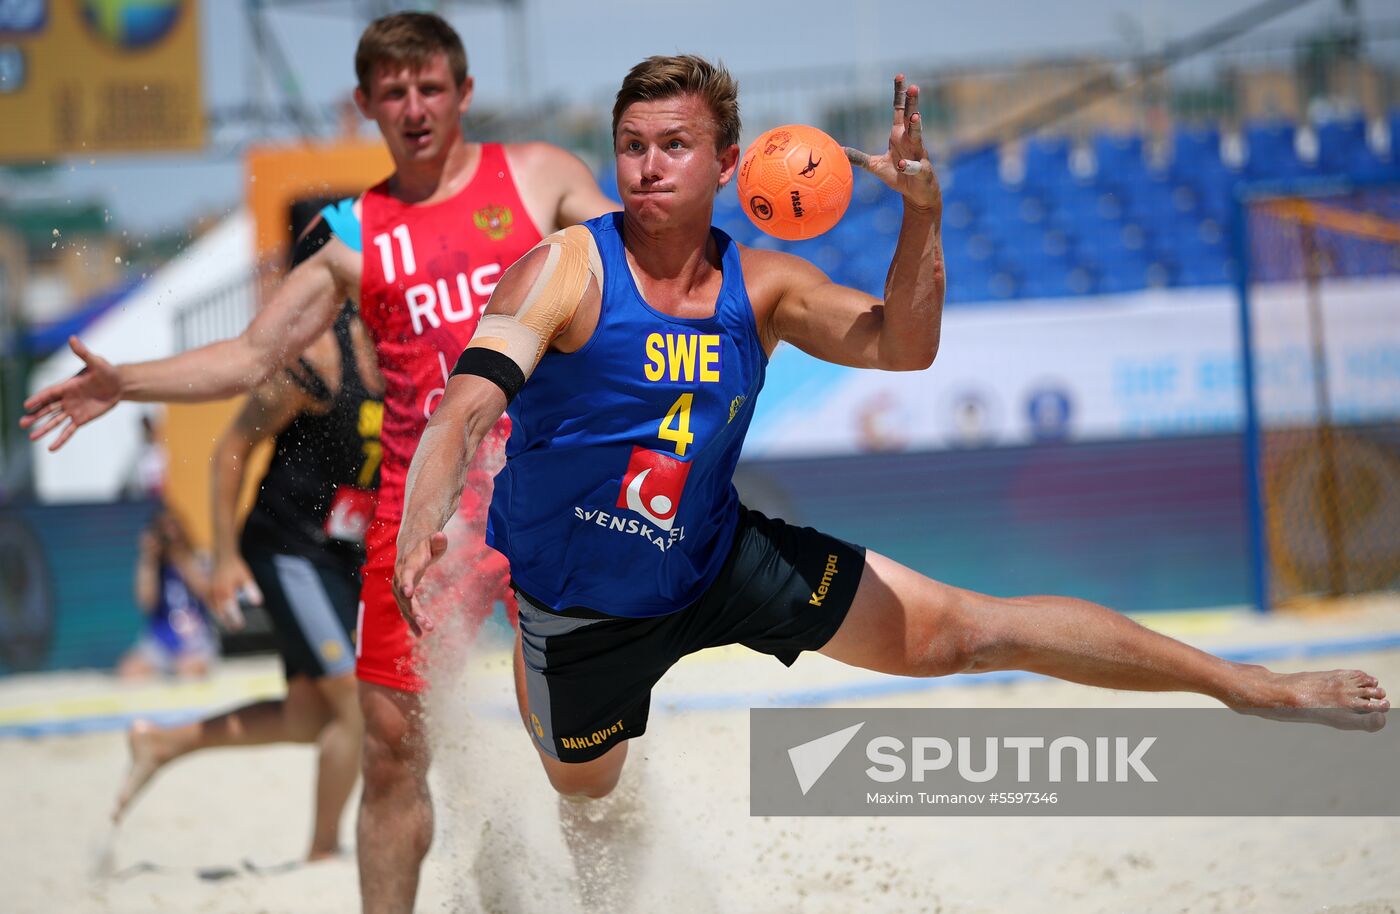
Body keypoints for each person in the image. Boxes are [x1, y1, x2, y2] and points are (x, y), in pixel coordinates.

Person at [391, 54, 1389, 897]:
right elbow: (468, 405)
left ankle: (1244, 686)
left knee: (964, 628)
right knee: (587, 796)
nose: (647, 166)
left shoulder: (764, 285)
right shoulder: (566, 268)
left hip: (714, 555)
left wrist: (922, 211)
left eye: (674, 145)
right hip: (580, 610)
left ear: (727, 162)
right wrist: (417, 518)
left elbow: (900, 345)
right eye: (633, 145)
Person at [22, 12, 616, 912]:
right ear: (366, 104)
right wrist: (126, 380)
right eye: (393, 92)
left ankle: (617, 888)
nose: (413, 107)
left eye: (429, 88)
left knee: (580, 753)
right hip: (426, 518)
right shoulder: (353, 232)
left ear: (462, 93)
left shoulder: (540, 177)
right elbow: (250, 357)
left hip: (552, 496)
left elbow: (639, 285)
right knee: (386, 748)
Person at [111, 303, 383, 866]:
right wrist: (225, 556)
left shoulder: (412, 356)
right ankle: (323, 853)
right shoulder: (320, 362)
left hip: (342, 551)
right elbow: (232, 446)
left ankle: (162, 743)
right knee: (353, 705)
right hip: (287, 547)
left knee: (310, 717)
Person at [120, 507, 216, 680]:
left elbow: (205, 591)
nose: (170, 536)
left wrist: (179, 555)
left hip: (195, 640)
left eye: (174, 528)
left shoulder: (198, 557)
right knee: (130, 671)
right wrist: (148, 558)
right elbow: (145, 602)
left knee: (190, 673)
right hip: (160, 641)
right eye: (163, 530)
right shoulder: (153, 566)